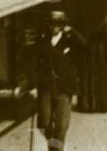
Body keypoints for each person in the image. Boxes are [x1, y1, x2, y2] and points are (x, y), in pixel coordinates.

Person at [37, 11, 83, 149]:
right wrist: (33, 85)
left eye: (58, 24)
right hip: (47, 85)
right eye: (52, 24)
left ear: (63, 25)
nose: (54, 27)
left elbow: (84, 45)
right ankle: (52, 144)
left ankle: (57, 149)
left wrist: (73, 31)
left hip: (64, 86)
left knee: (61, 125)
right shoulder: (43, 40)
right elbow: (35, 61)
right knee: (45, 122)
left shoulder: (70, 39)